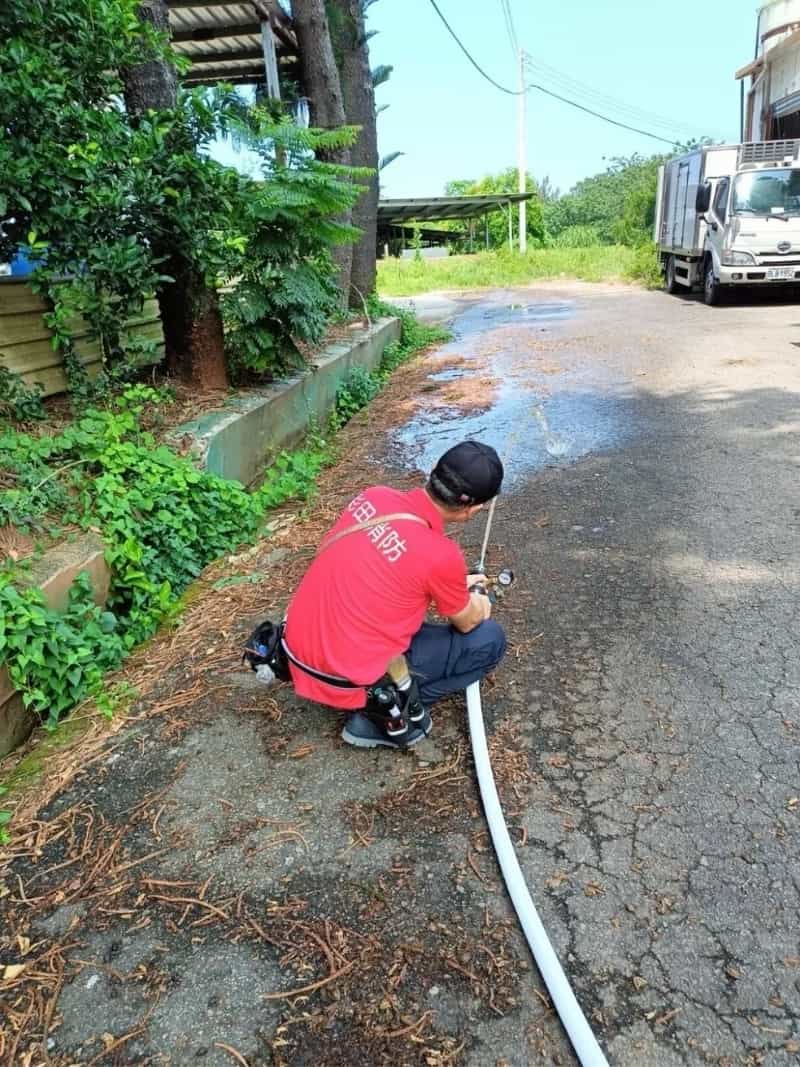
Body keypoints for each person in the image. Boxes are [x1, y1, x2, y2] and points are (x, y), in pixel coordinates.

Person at [282, 441, 507, 749]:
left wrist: (456, 582)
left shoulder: (373, 497)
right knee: (490, 640)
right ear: (473, 509)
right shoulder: (441, 555)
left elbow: (388, 561)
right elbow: (466, 623)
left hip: (295, 653)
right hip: (344, 678)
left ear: (434, 471)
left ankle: (372, 694)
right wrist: (479, 601)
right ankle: (383, 712)